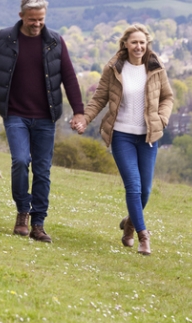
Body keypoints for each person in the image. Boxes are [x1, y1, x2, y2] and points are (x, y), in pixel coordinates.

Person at [0, 0, 84, 243]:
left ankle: (38, 224)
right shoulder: (5, 38)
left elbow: (69, 78)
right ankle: (22, 214)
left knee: (42, 169)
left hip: (46, 117)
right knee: (20, 161)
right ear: (21, 15)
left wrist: (79, 112)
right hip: (15, 114)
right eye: (32, 19)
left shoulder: (55, 42)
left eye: (41, 19)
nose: (37, 24)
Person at [74, 24, 173, 255]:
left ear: (146, 44)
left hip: (148, 136)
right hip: (122, 135)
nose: (138, 47)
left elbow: (167, 97)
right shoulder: (114, 68)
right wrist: (85, 119)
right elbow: (99, 98)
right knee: (134, 186)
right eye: (134, 42)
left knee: (146, 190)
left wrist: (162, 119)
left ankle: (129, 224)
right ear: (125, 44)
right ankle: (143, 236)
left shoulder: (156, 68)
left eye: (142, 43)